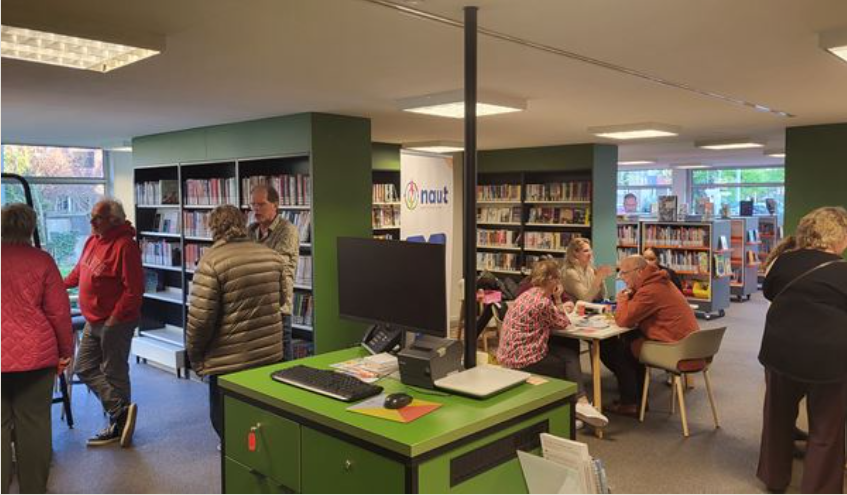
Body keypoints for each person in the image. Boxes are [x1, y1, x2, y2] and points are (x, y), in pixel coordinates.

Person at [756, 206, 847, 494]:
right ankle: (818, 489)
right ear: (838, 236)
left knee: (777, 418)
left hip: (779, 352)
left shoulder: (782, 262)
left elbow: (770, 292)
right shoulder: (843, 272)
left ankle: (774, 478)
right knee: (826, 430)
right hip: (829, 360)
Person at [187, 205, 286, 439]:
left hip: (229, 361)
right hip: (268, 354)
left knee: (227, 423)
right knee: (261, 421)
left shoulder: (211, 262)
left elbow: (200, 321)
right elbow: (281, 299)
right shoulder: (271, 256)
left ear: (213, 228)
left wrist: (195, 356)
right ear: (242, 225)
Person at [2, 204, 74, 493]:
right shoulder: (42, 261)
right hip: (36, 355)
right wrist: (65, 351)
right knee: (34, 424)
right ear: (30, 228)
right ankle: (33, 489)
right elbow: (59, 312)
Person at [65, 199, 143, 447]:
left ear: (114, 220)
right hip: (94, 319)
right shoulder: (92, 241)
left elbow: (134, 290)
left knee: (114, 371)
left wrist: (114, 319)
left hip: (115, 322)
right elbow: (79, 272)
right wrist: (56, 285)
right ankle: (121, 412)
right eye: (91, 216)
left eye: (97, 217)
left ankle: (119, 427)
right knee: (83, 367)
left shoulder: (125, 246)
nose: (91, 221)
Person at [497, 260, 609, 428]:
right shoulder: (543, 302)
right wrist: (557, 298)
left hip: (509, 354)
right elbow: (563, 323)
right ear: (551, 280)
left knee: (567, 352)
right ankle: (577, 407)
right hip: (523, 359)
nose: (559, 282)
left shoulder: (527, 295)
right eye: (557, 279)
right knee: (568, 361)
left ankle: (580, 403)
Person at [601, 255, 699, 417]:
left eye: (624, 273)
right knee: (630, 341)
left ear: (639, 272)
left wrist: (622, 299)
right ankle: (638, 399)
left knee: (617, 349)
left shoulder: (650, 290)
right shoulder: (658, 282)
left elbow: (624, 320)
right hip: (690, 345)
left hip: (678, 350)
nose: (621, 277)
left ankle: (631, 402)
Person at [248, 185, 299, 362]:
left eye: (261, 204)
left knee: (281, 363)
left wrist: (246, 263)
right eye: (253, 204)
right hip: (254, 308)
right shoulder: (250, 230)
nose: (256, 209)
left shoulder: (287, 230)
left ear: (275, 205)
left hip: (277, 309)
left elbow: (275, 265)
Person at [561, 237, 613, 303]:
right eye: (586, 251)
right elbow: (585, 299)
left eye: (590, 250)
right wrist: (598, 279)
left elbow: (602, 297)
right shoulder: (570, 273)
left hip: (590, 307)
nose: (590, 254)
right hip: (575, 308)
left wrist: (601, 279)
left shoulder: (590, 270)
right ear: (575, 254)